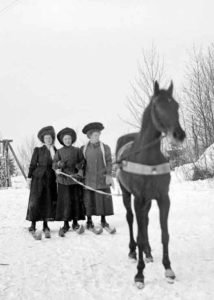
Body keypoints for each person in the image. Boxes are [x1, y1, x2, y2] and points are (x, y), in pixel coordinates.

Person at [81, 122, 115, 231]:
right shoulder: (83, 149)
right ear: (89, 136)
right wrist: (79, 168)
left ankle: (103, 220)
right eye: (95, 135)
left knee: (102, 200)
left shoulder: (105, 148)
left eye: (98, 135)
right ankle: (89, 220)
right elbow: (81, 162)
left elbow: (109, 162)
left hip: (102, 178)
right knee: (89, 200)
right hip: (88, 179)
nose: (97, 137)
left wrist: (108, 174)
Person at [26, 126, 57, 237]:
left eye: (49, 138)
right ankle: (33, 224)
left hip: (51, 178)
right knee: (36, 200)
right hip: (38, 178)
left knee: (48, 201)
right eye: (46, 138)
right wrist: (29, 178)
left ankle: (45, 224)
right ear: (43, 140)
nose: (48, 140)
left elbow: (58, 164)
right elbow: (33, 165)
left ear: (52, 139)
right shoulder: (38, 150)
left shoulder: (55, 150)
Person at [53, 127, 85, 234]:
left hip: (75, 179)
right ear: (62, 140)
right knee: (65, 202)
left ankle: (75, 223)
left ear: (72, 139)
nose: (67, 140)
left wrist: (80, 166)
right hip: (63, 180)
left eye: (69, 138)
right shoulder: (59, 152)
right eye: (65, 139)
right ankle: (65, 224)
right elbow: (54, 164)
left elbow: (83, 162)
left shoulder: (77, 150)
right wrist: (58, 165)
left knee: (75, 200)